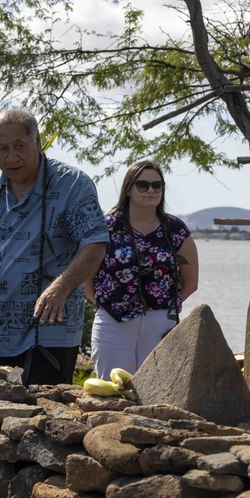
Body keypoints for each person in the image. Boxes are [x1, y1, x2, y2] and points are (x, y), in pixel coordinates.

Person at [0, 108, 108, 386]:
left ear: (38, 141)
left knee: (41, 421)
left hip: (51, 334)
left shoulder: (73, 184)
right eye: (2, 149)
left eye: (19, 146)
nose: (11, 157)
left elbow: (95, 244)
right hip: (1, 337)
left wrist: (61, 287)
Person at [86, 161, 198, 378]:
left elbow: (191, 283)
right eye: (143, 185)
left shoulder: (175, 230)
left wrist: (164, 311)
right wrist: (104, 306)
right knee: (113, 390)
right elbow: (86, 278)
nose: (151, 191)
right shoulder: (107, 226)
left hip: (160, 323)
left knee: (158, 389)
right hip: (112, 322)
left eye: (157, 185)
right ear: (128, 188)